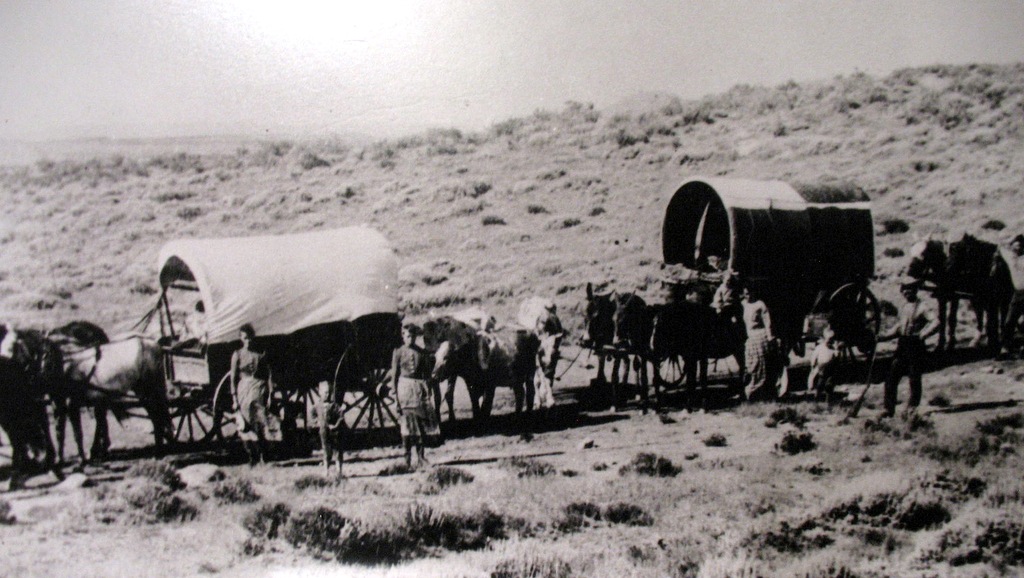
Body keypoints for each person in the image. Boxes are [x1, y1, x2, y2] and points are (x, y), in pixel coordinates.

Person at [878, 280, 941, 418]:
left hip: (915, 346)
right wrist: (881, 337)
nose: (907, 292)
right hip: (903, 345)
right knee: (891, 377)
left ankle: (912, 409)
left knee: (914, 378)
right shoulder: (904, 306)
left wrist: (924, 334)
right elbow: (899, 328)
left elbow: (936, 322)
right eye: (904, 289)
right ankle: (888, 409)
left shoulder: (923, 307)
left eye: (910, 289)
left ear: (915, 290)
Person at [391, 322, 440, 469]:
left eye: (412, 337)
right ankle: (407, 459)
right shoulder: (398, 352)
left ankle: (420, 457)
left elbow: (427, 374)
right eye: (407, 336)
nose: (410, 339)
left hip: (418, 389)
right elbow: (394, 376)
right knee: (406, 425)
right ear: (403, 336)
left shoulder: (422, 353)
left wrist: (427, 389)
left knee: (420, 424)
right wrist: (396, 397)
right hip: (404, 389)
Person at [230, 323, 273, 465]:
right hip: (243, 389)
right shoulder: (237, 355)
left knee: (259, 422)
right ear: (241, 339)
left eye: (249, 338)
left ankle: (263, 456)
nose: (248, 341)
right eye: (245, 338)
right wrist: (234, 398)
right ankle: (251, 456)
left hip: (258, 389)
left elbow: (268, 375)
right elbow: (233, 378)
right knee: (245, 423)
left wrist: (270, 393)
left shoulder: (260, 354)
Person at [741, 285, 777, 401]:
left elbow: (767, 322)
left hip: (760, 336)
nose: (748, 296)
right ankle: (752, 392)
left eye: (749, 293)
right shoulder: (743, 304)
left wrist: (770, 336)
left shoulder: (760, 304)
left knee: (761, 365)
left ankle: (764, 393)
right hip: (750, 338)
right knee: (751, 365)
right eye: (745, 294)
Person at [999, 234, 1024, 357]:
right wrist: (1012, 239)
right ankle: (1006, 348)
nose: (1017, 248)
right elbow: (1001, 246)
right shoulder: (1011, 258)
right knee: (1009, 321)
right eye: (1015, 246)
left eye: (1019, 246)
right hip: (1018, 294)